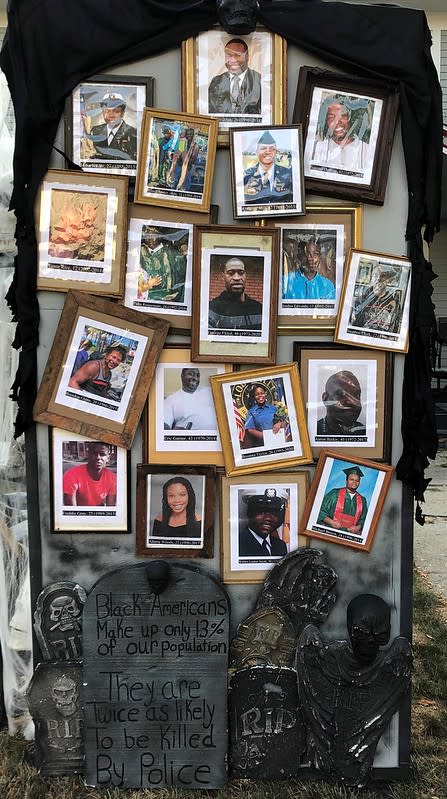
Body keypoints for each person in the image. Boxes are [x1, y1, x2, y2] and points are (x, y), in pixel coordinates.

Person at [312, 99, 372, 172]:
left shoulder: (368, 150)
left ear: (351, 118)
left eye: (343, 116)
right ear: (325, 122)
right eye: (331, 117)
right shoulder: (317, 149)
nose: (337, 122)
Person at [208, 37, 261, 115]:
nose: (233, 60)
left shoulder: (259, 80)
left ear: (247, 57)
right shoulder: (216, 82)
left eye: (238, 55)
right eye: (229, 55)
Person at [208, 257, 263, 331]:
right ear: (222, 276)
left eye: (241, 273)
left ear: (245, 275)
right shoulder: (213, 309)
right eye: (230, 273)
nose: (236, 278)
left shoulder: (259, 309)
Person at [243, 130, 293, 205]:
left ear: (276, 152)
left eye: (272, 148)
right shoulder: (246, 176)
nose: (268, 151)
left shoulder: (288, 174)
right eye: (263, 148)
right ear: (256, 152)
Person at [137, 228, 186, 303]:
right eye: (147, 235)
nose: (150, 238)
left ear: (160, 236)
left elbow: (182, 281)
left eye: (153, 235)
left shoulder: (174, 255)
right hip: (144, 298)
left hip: (167, 299)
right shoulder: (139, 253)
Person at [317, 466, 368, 535]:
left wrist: (358, 527)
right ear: (346, 480)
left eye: (357, 480)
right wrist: (332, 522)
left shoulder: (363, 500)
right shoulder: (334, 493)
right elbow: (319, 511)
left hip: (351, 536)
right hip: (331, 532)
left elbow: (363, 519)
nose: (354, 482)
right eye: (351, 479)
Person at [87, 91, 137, 161]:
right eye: (107, 111)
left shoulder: (133, 133)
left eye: (116, 111)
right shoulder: (95, 131)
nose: (111, 115)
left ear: (122, 113)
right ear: (102, 112)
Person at [62, 442, 116, 506]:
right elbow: (71, 511)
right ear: (88, 455)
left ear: (108, 458)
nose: (98, 457)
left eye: (102, 454)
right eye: (94, 453)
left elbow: (110, 507)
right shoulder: (71, 475)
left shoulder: (111, 477)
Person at [239, 488, 288, 557]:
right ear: (249, 513)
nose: (268, 518)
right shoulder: (238, 543)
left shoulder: (281, 546)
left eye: (274, 512)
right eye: (261, 511)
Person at [316, 370, 366, 437]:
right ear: (325, 399)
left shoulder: (365, 433)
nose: (351, 401)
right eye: (340, 395)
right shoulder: (313, 432)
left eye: (356, 395)